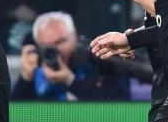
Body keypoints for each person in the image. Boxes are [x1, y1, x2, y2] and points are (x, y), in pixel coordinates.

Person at [12, 11, 152, 101]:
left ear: (74, 36)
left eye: (60, 42)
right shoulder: (36, 68)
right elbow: (15, 118)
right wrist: (26, 78)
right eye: (46, 46)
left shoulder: (94, 59)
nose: (55, 50)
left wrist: (71, 81)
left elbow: (119, 102)